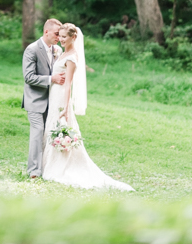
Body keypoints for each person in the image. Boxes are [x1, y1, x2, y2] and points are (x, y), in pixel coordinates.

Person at [42, 23, 134, 191]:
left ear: (73, 38)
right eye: (60, 36)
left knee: (60, 127)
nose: (61, 39)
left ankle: (59, 167)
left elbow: (68, 84)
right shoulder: (63, 53)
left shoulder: (72, 57)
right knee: (50, 128)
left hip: (61, 98)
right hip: (54, 95)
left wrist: (65, 107)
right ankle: (47, 164)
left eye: (64, 37)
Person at [22, 18, 65, 179]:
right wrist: (50, 79)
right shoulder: (32, 49)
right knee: (37, 131)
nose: (59, 38)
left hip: (53, 101)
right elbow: (28, 77)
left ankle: (47, 168)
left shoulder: (58, 51)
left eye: (61, 35)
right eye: (56, 34)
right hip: (34, 101)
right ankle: (34, 171)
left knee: (49, 134)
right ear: (46, 32)